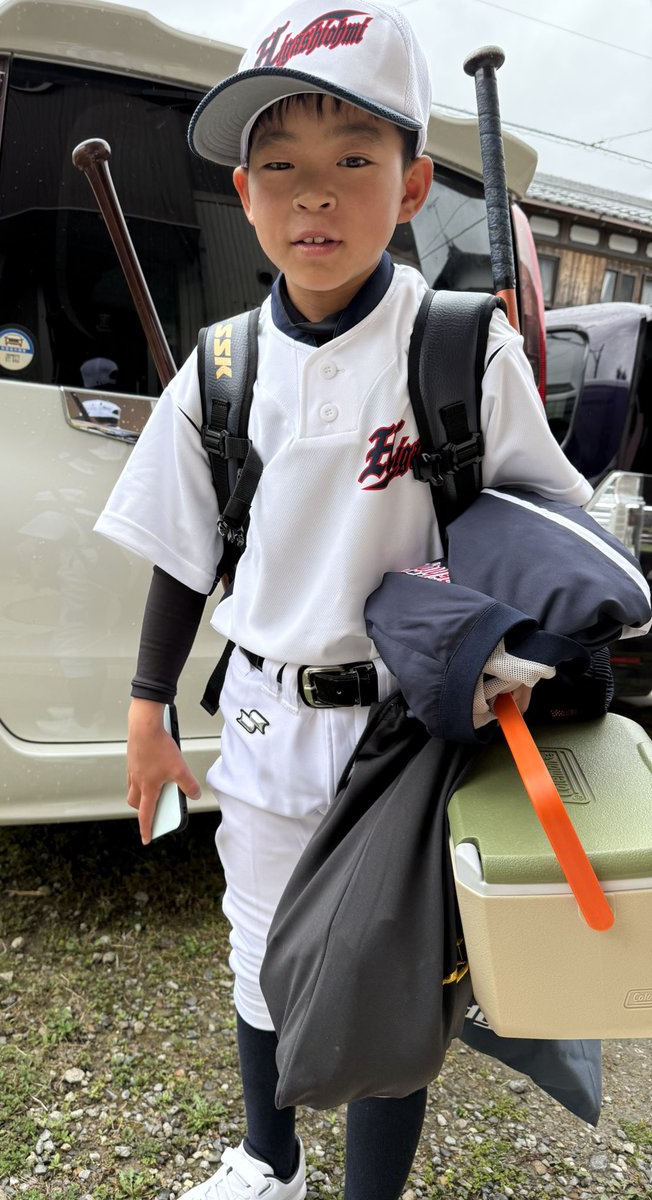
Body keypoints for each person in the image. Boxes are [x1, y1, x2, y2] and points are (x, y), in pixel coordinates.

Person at [95, 3, 592, 1197]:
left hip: (405, 735)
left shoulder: (464, 348)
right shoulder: (219, 369)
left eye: (353, 161)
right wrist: (149, 707)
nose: (316, 196)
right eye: (283, 168)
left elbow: (549, 530)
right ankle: (268, 1166)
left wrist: (516, 645)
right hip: (265, 723)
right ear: (245, 194)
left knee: (386, 974)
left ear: (414, 184)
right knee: (260, 957)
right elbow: (182, 553)